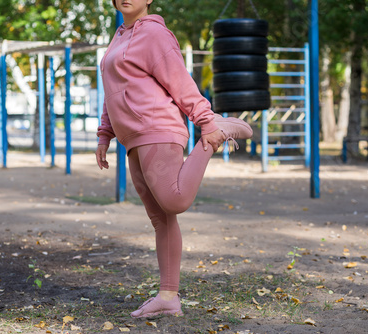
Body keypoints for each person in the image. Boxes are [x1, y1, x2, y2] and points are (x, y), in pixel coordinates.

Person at [95, 0, 253, 318]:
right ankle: (168, 296)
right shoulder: (119, 35)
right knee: (161, 219)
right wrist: (104, 134)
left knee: (175, 201)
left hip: (157, 128)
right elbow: (113, 89)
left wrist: (206, 123)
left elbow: (181, 83)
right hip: (132, 137)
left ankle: (216, 135)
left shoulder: (155, 34)